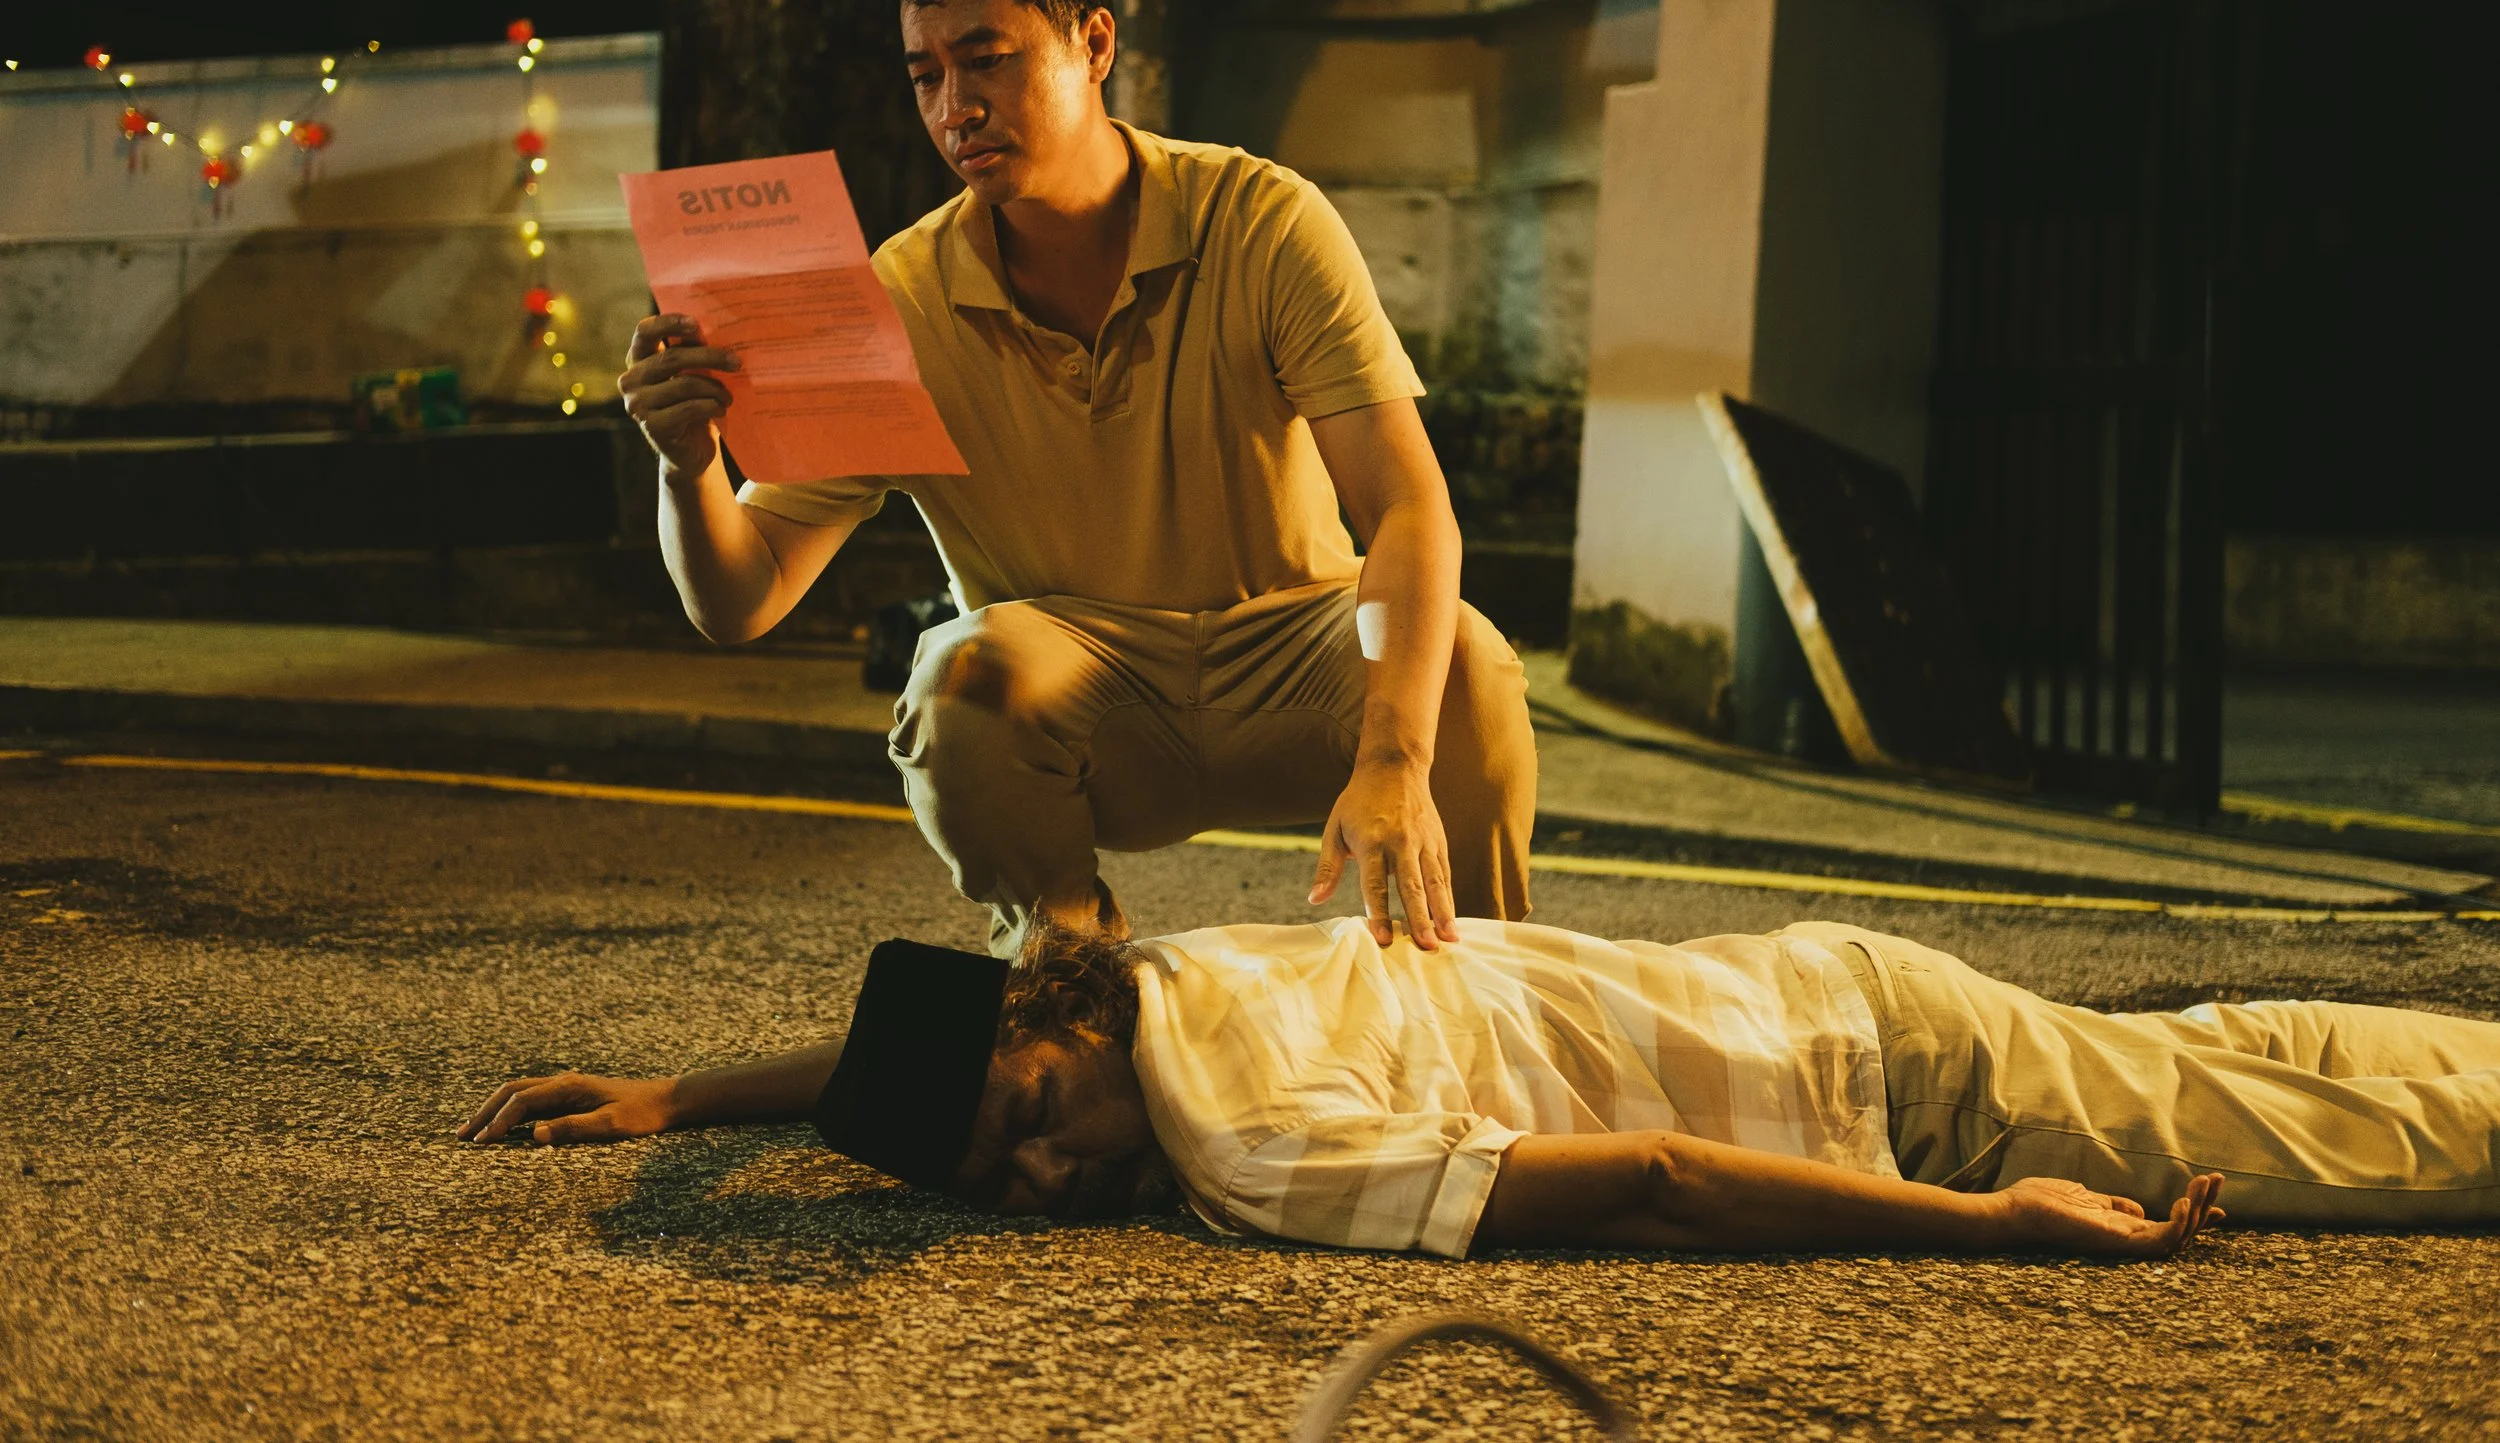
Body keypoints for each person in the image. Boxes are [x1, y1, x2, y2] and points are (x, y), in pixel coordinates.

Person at [617, 0, 1534, 959]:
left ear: (1093, 43)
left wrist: (1391, 758)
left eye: (987, 58)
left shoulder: (1260, 219)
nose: (955, 107)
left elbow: (1407, 506)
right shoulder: (898, 298)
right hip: (1085, 692)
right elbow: (744, 597)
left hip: (1290, 655)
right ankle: (1066, 983)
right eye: (926, 74)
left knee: (1462, 659)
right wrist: (689, 466)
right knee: (959, 678)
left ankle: (1477, 981)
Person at [457, 916, 2500, 1257]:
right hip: (1833, 984)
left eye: (1034, 1124)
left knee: (2357, 1155)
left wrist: (1988, 1224)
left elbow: (1656, 1177)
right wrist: (681, 1093)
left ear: (1046, 1032)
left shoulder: (1254, 1148)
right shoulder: (1164, 974)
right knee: (2230, 1058)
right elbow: (931, 1048)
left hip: (1890, 1094)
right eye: (1006, 1185)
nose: (1048, 1176)